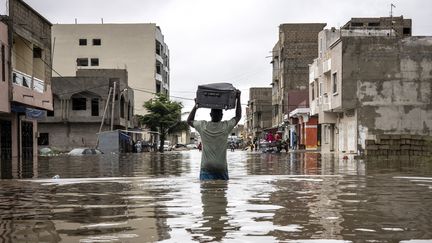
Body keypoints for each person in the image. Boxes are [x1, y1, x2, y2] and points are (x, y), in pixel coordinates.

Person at [187, 91, 241, 180]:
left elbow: (189, 121)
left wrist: (196, 106)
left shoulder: (203, 126)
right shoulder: (226, 126)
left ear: (210, 115)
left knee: (206, 191)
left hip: (207, 167)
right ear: (222, 116)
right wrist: (238, 98)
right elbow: (238, 116)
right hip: (221, 167)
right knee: (222, 191)